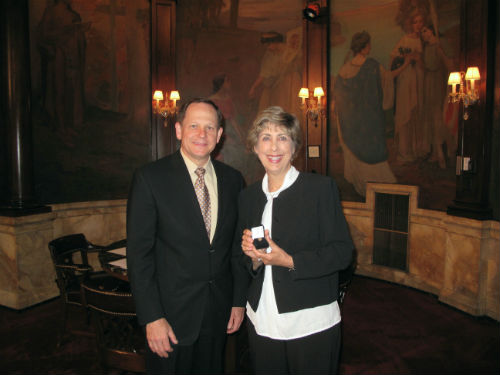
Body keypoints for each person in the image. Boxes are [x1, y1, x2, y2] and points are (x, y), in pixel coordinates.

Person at [127, 98, 249, 374]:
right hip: (169, 317)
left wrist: (238, 300)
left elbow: (234, 249)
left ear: (219, 135)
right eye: (194, 125)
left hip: (217, 312)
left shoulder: (233, 180)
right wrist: (152, 317)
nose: (201, 134)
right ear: (179, 130)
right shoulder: (150, 178)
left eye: (209, 127)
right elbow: (139, 255)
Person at [236, 106, 354, 374]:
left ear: (294, 146)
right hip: (262, 320)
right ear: (255, 147)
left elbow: (342, 253)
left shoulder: (320, 189)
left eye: (282, 137)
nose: (274, 147)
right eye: (266, 137)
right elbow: (241, 259)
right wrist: (253, 260)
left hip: (310, 322)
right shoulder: (248, 197)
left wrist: (288, 260)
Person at [334, 31, 411, 197]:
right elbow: (388, 79)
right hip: (369, 120)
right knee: (372, 148)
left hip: (350, 121)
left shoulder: (345, 69)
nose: (370, 47)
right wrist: (405, 64)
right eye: (368, 44)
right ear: (361, 47)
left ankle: (363, 185)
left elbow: (339, 97)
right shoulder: (372, 65)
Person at [390, 10, 425, 162]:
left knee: (416, 113)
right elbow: (393, 57)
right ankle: (404, 151)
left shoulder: (425, 39)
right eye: (416, 22)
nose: (418, 25)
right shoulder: (405, 39)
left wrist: (418, 59)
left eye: (421, 22)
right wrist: (405, 58)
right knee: (405, 112)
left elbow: (427, 63)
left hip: (419, 79)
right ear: (411, 24)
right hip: (406, 79)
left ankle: (417, 149)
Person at [420, 23, 456, 169]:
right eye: (422, 32)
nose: (423, 34)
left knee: (439, 117)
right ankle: (437, 152)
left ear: (431, 31)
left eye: (425, 30)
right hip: (429, 82)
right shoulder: (427, 48)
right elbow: (426, 67)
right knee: (432, 118)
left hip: (438, 81)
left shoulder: (440, 45)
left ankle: (444, 153)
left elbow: (449, 66)